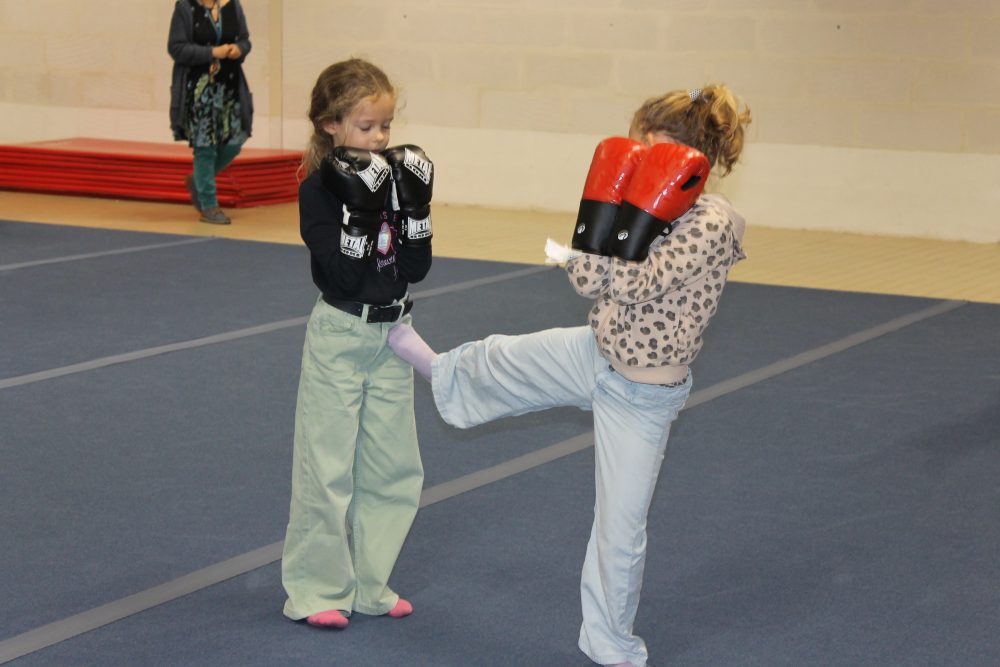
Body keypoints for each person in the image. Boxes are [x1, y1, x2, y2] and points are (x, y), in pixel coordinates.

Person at [388, 84, 751, 666]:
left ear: (688, 161)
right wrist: (600, 224)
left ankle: (611, 644)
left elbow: (635, 282)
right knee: (505, 357)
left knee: (619, 528)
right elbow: (586, 280)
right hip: (595, 351)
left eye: (652, 153)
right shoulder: (641, 203)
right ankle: (437, 368)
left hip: (643, 392)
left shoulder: (714, 222)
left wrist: (612, 235)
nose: (641, 164)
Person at [280, 58, 434, 631]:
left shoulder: (396, 178)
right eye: (367, 127)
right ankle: (315, 589)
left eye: (386, 126)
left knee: (396, 468)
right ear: (331, 125)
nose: (380, 138)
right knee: (326, 469)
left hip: (393, 336)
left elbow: (414, 269)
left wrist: (415, 211)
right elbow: (343, 277)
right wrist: (362, 216)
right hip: (341, 335)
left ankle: (370, 584)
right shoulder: (318, 190)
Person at [168, 0, 253, 225]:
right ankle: (209, 205)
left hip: (230, 91)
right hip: (198, 92)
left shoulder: (233, 6)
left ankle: (197, 181)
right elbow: (176, 48)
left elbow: (245, 40)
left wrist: (239, 49)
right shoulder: (185, 8)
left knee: (235, 142)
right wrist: (213, 52)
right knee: (205, 148)